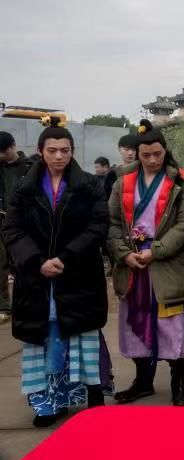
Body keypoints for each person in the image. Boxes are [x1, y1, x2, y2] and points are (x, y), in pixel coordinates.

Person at [3, 118, 108, 427]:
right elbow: (11, 229)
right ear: (40, 151)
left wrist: (66, 257)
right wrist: (36, 261)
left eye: (65, 150)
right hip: (37, 278)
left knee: (83, 335)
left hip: (78, 273)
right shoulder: (25, 187)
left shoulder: (89, 184)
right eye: (53, 150)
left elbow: (98, 226)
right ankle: (50, 403)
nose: (59, 156)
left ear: (72, 151)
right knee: (44, 338)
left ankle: (93, 393)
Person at [108, 120, 184, 406]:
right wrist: (124, 253)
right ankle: (142, 381)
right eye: (146, 155)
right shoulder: (122, 181)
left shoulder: (180, 182)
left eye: (157, 154)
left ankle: (178, 384)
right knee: (135, 324)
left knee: (172, 326)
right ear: (137, 153)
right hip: (133, 264)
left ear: (165, 151)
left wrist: (155, 251)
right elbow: (111, 223)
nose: (152, 160)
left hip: (164, 263)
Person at [0, 132, 33, 324]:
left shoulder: (30, 167)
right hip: (2, 220)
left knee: (23, 261)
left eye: (4, 151)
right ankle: (4, 305)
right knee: (1, 262)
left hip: (23, 222)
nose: (2, 156)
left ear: (13, 146)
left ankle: (28, 303)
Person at [104, 134, 138, 199]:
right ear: (119, 149)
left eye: (134, 150)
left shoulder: (144, 172)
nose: (130, 153)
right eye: (126, 149)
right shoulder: (112, 175)